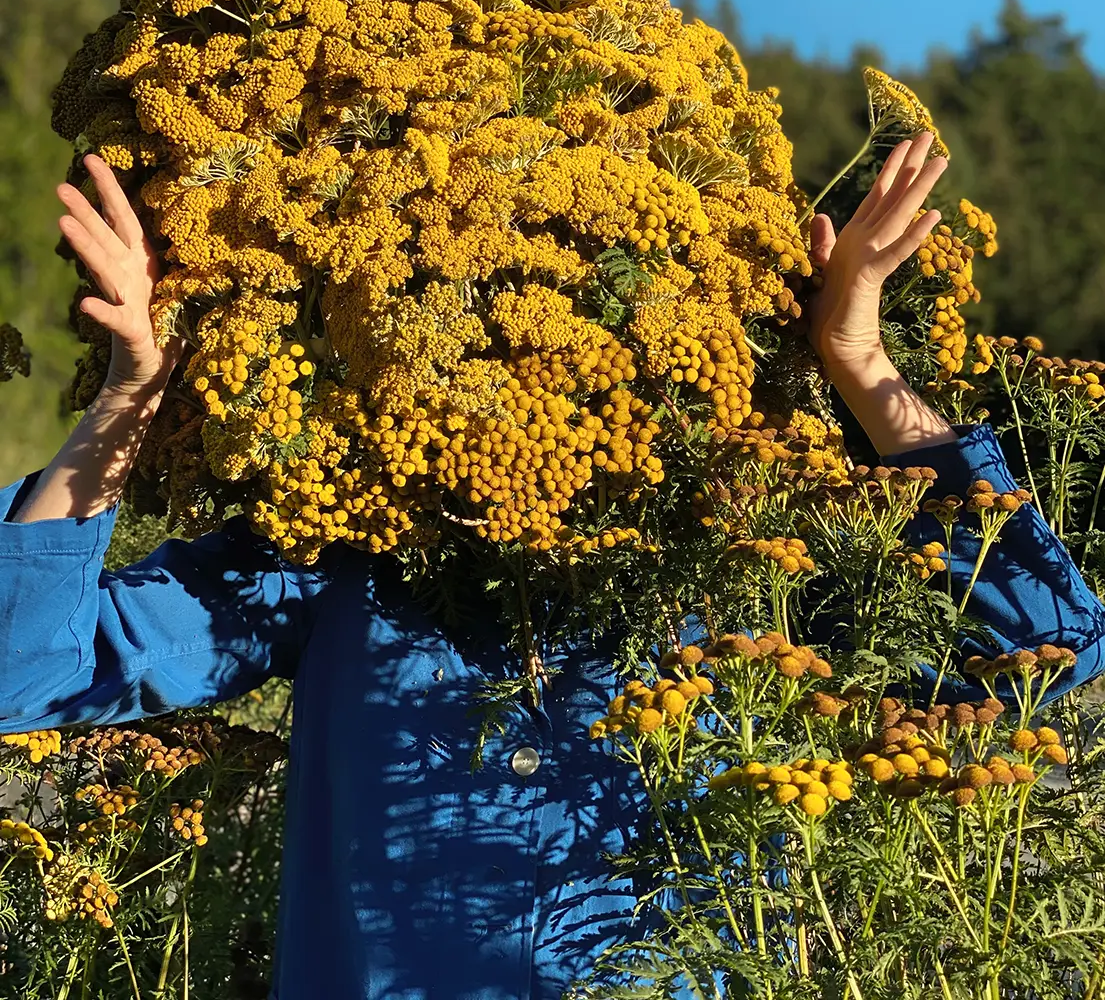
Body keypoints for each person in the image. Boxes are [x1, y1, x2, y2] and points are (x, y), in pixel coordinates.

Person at [3, 133, 1104, 1000]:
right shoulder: (338, 556)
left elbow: (1047, 639)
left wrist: (860, 366)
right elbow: (24, 669)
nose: (543, 364)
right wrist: (132, 394)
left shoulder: (741, 568)